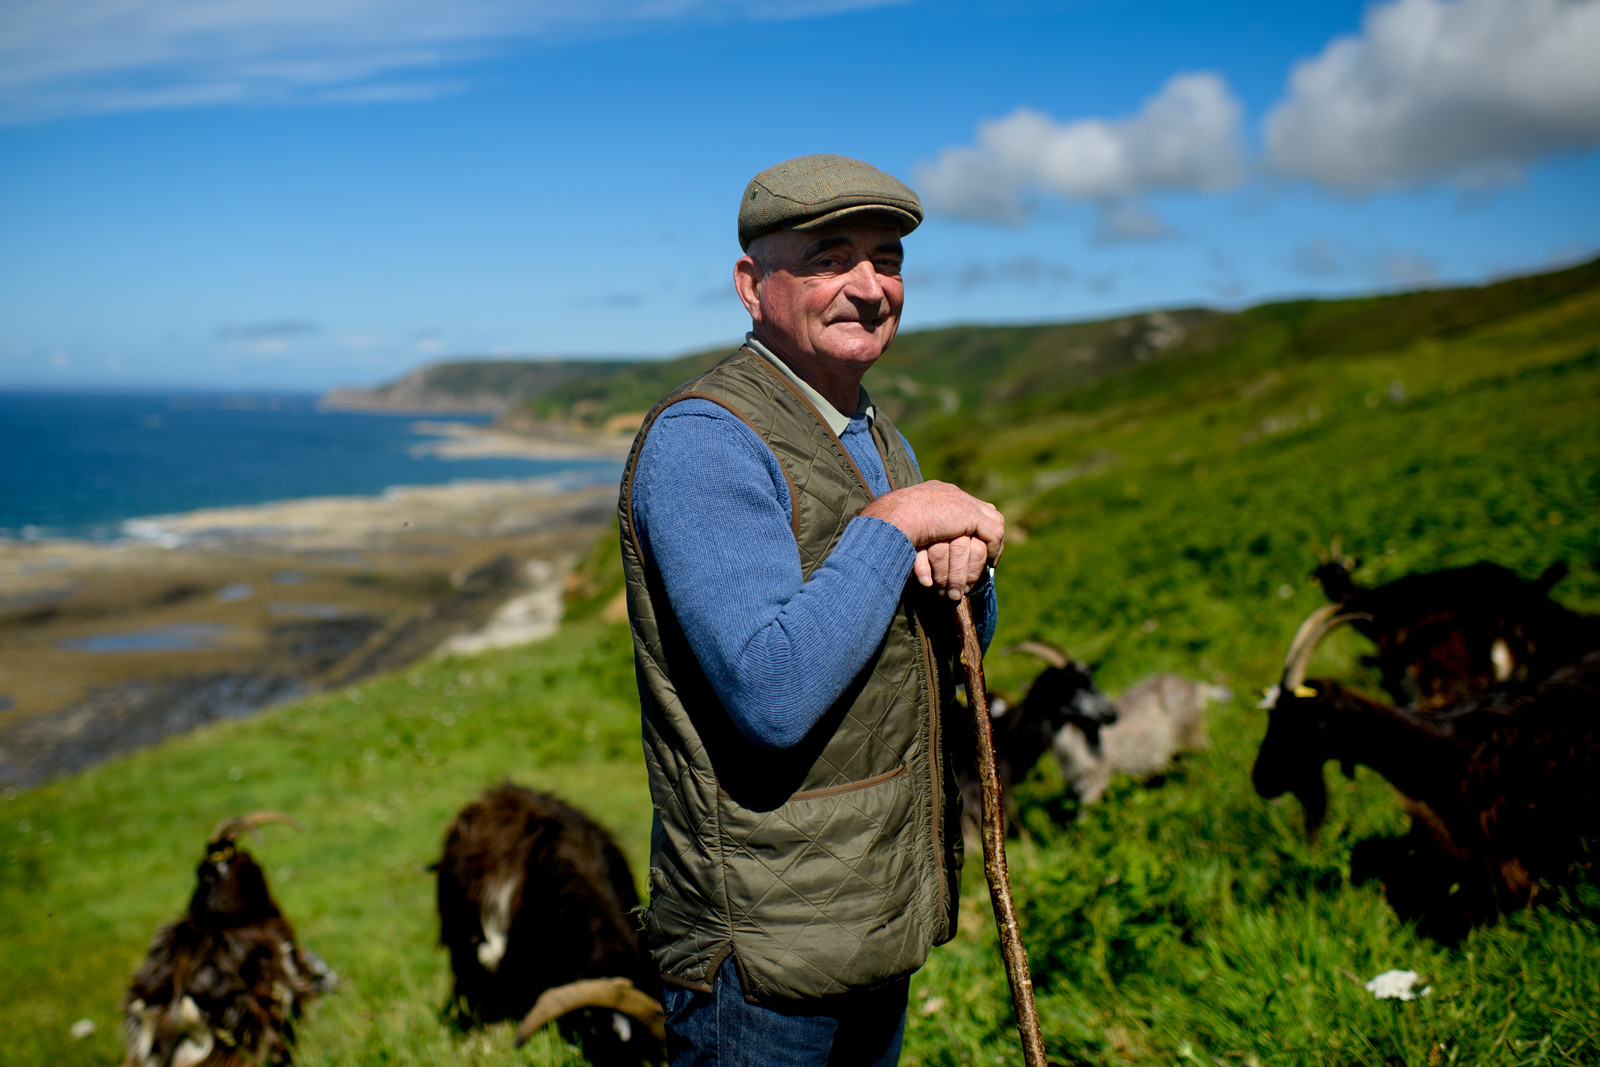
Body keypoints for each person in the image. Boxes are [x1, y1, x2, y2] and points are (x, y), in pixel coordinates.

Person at [619, 154, 1005, 1066]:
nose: (870, 287)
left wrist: (968, 578)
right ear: (754, 286)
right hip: (761, 957)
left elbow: (943, 654)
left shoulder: (877, 434)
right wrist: (896, 524)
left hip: (873, 920)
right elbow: (771, 690)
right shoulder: (706, 441)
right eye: (831, 258)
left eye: (888, 259)